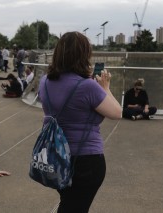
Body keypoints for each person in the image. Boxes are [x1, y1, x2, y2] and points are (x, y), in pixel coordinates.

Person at [38, 32, 121, 213]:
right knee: (75, 206)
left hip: (55, 155)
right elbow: (117, 112)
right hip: (85, 160)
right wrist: (105, 88)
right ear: (84, 55)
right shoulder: (87, 86)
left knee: (68, 202)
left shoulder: (44, 81)